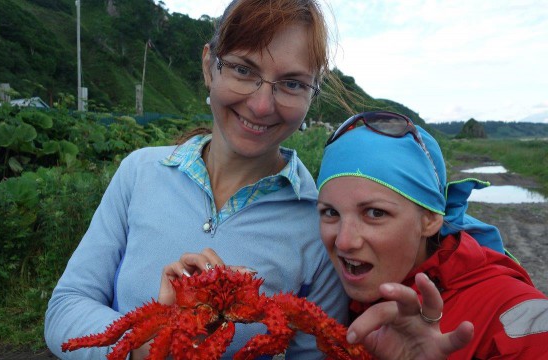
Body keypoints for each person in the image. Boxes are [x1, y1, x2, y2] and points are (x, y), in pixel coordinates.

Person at [44, 0, 351, 358]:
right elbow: (67, 306)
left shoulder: (320, 224)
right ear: (209, 66)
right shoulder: (139, 172)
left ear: (312, 94)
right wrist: (145, 350)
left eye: (292, 83)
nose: (262, 105)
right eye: (242, 70)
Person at [315, 110, 548, 358]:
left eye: (375, 213)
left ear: (431, 219)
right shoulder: (326, 291)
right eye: (330, 212)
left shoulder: (520, 314)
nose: (344, 241)